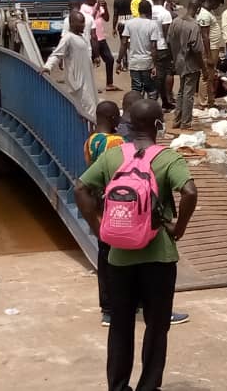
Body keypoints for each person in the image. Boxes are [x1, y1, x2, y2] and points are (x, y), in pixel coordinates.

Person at [75, 99, 198, 391]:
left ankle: (118, 387)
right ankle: (148, 386)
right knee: (156, 327)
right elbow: (190, 192)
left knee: (120, 326)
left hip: (119, 258)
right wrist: (177, 228)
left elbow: (81, 188)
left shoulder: (113, 156)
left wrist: (99, 228)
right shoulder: (169, 159)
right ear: (158, 125)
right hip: (159, 258)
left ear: (129, 125)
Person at [85, 101, 126, 328]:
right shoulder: (117, 142)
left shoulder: (90, 141)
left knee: (103, 253)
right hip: (114, 202)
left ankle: (107, 308)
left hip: (97, 200)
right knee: (117, 253)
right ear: (112, 118)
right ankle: (118, 305)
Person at [43, 11, 99, 123]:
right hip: (78, 83)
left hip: (87, 81)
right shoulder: (68, 38)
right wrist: (48, 67)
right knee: (87, 109)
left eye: (83, 22)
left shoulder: (81, 37)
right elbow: (57, 54)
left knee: (92, 107)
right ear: (72, 23)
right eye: (81, 23)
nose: (83, 25)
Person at [166, 1, 205, 130]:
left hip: (178, 61)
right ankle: (185, 122)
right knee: (188, 93)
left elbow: (168, 41)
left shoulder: (175, 22)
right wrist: (204, 69)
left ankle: (177, 120)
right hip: (191, 63)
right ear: (198, 9)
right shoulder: (193, 25)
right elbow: (197, 50)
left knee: (181, 92)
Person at [119, 1, 163, 97]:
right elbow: (153, 47)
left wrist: (119, 61)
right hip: (147, 63)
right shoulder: (152, 25)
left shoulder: (129, 23)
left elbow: (123, 43)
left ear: (138, 10)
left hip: (134, 62)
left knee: (136, 90)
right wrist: (155, 65)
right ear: (149, 11)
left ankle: (137, 109)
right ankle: (150, 110)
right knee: (151, 90)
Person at [83, 0, 119, 93]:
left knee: (110, 59)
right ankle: (90, 86)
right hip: (91, 39)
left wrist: (105, 7)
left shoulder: (97, 6)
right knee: (91, 63)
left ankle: (109, 84)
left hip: (101, 38)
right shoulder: (84, 8)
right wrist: (97, 7)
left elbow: (106, 18)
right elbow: (90, 20)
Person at [150, 0, 175, 111]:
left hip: (150, 47)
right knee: (166, 74)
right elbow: (167, 33)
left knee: (156, 75)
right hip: (163, 47)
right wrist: (172, 50)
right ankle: (165, 100)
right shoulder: (165, 13)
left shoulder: (149, 11)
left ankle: (162, 101)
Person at [196, 0, 220, 107]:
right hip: (209, 49)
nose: (218, 6)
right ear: (213, 1)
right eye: (217, 4)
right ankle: (204, 102)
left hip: (213, 48)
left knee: (211, 75)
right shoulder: (204, 15)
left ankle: (210, 100)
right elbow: (205, 36)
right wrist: (209, 55)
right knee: (205, 75)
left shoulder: (209, 13)